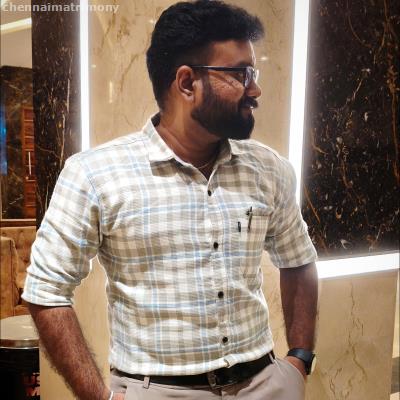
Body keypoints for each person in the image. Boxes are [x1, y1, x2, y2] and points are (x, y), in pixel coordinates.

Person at [23, 1, 319, 399]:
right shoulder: (94, 175)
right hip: (158, 389)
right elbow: (46, 291)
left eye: (255, 73)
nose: (255, 89)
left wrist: (298, 361)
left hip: (265, 384)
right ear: (187, 82)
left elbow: (298, 259)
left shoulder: (268, 169)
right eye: (240, 74)